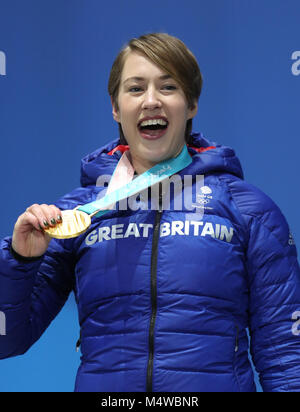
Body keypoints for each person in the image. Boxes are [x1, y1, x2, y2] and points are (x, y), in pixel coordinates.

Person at [0, 32, 300, 392]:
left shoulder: (249, 210)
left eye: (169, 87)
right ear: (115, 107)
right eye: (136, 89)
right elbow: (8, 340)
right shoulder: (74, 216)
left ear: (191, 105)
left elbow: (286, 352)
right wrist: (20, 260)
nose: (152, 101)